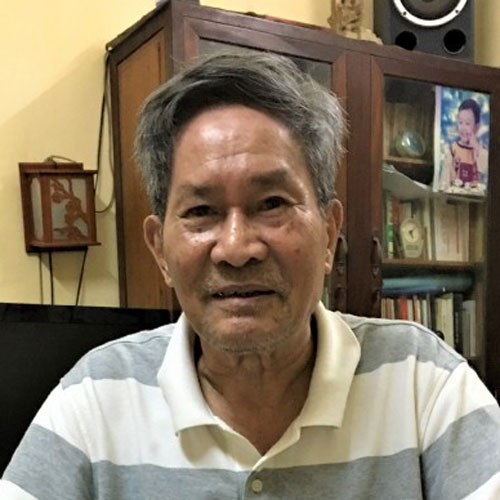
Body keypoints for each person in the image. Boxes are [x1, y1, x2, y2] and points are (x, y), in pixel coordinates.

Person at [1, 51, 499, 499]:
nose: (236, 249)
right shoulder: (95, 395)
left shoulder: (423, 380)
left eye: (272, 203)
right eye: (201, 211)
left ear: (329, 233)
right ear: (159, 249)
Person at [439, 98, 488, 195]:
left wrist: (476, 147)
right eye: (460, 122)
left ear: (477, 127)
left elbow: (485, 170)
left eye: (467, 123)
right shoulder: (453, 149)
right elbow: (444, 179)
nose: (463, 128)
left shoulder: (480, 151)